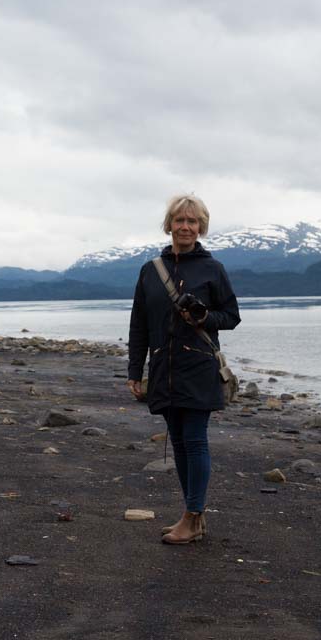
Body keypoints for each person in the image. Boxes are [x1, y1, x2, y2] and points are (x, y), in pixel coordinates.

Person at [127, 194, 241, 544]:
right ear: (170, 225)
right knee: (177, 441)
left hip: (199, 367)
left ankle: (193, 516)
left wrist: (205, 316)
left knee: (193, 439)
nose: (186, 227)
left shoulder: (213, 269)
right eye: (180, 220)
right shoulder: (150, 271)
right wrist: (135, 369)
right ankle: (193, 517)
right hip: (164, 367)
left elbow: (231, 317)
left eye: (193, 221)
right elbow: (139, 324)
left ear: (201, 227)